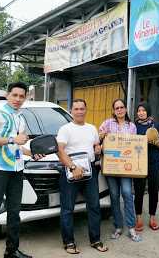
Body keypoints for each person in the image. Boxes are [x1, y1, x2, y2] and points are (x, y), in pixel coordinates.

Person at [0, 82, 34, 258]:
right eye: (15, 95)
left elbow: (18, 146)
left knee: (14, 213)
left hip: (16, 169)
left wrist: (31, 153)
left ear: (25, 98)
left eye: (21, 96)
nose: (18, 99)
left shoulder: (21, 117)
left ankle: (11, 251)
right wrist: (13, 139)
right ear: (7, 95)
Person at [56, 98, 109, 254]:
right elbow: (60, 151)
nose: (79, 111)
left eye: (82, 109)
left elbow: (95, 144)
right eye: (76, 109)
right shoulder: (65, 129)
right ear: (71, 111)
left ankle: (96, 240)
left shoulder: (92, 128)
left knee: (94, 207)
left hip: (90, 172)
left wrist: (98, 147)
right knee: (67, 209)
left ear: (86, 110)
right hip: (71, 171)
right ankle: (69, 243)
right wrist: (73, 167)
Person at [99, 99, 141, 242]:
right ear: (114, 110)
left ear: (125, 109)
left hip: (126, 167)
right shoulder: (107, 123)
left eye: (122, 107)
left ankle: (131, 227)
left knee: (128, 194)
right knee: (114, 196)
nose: (119, 110)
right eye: (117, 108)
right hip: (111, 167)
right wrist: (102, 136)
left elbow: (135, 145)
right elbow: (99, 139)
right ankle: (118, 226)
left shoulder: (132, 126)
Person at [133, 102, 159, 231]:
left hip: (154, 162)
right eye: (139, 111)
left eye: (143, 110)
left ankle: (152, 218)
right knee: (139, 191)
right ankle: (139, 218)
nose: (141, 113)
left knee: (153, 190)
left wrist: (156, 142)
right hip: (139, 162)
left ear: (148, 112)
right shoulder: (133, 127)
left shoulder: (156, 125)